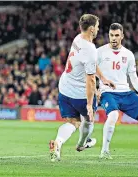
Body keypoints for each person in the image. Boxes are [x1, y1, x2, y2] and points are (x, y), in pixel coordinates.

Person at [49, 14, 115, 162]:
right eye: (97, 26)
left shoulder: (77, 39)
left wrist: (103, 78)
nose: (98, 29)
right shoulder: (90, 49)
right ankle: (81, 143)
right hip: (80, 94)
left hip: (65, 88)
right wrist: (90, 105)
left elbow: (89, 64)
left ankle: (58, 143)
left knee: (72, 123)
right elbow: (90, 79)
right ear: (91, 29)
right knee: (88, 119)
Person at [97, 23, 138, 159]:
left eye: (117, 35)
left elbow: (133, 77)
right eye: (111, 35)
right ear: (108, 36)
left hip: (125, 92)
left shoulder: (128, 54)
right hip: (108, 92)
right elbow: (90, 71)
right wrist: (96, 89)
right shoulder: (99, 52)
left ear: (122, 36)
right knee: (113, 115)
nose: (114, 38)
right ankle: (104, 151)